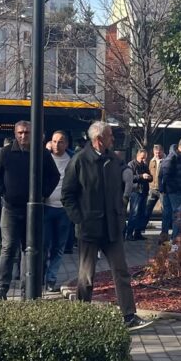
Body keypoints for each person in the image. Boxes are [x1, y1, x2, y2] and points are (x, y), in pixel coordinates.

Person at [60, 121, 150, 330]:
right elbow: (67, 195)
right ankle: (82, 317)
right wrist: (79, 219)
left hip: (112, 227)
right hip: (89, 229)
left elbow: (122, 185)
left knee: (121, 271)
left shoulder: (114, 159)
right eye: (110, 136)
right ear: (99, 139)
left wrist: (122, 206)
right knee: (86, 276)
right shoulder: (79, 161)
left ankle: (129, 316)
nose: (113, 139)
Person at [0, 120, 59, 300]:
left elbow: (54, 176)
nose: (23, 136)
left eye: (27, 132)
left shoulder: (41, 154)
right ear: (15, 133)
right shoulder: (5, 153)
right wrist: (2, 192)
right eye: (20, 132)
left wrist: (43, 194)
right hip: (10, 209)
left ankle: (26, 292)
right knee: (8, 248)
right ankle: (1, 290)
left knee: (29, 250)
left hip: (33, 211)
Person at [43, 130, 74, 293]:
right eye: (54, 141)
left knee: (59, 247)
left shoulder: (72, 159)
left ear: (66, 144)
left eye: (61, 141)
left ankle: (51, 279)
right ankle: (40, 276)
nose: (57, 144)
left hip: (64, 209)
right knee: (44, 245)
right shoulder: (44, 157)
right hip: (46, 207)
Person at [157, 138, 181, 239]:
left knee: (169, 214)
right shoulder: (173, 158)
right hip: (175, 191)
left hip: (176, 190)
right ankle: (174, 241)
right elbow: (165, 175)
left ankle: (165, 238)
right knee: (178, 215)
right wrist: (171, 189)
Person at [123, 147, 152, 241]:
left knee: (141, 213)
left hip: (143, 191)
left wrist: (149, 177)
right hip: (136, 191)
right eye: (142, 158)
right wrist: (141, 176)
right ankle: (129, 233)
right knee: (134, 213)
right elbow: (130, 177)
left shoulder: (145, 165)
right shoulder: (131, 164)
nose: (144, 160)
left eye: (145, 158)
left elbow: (150, 177)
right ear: (138, 156)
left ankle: (138, 233)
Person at [145, 143, 164, 225]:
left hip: (162, 189)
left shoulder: (166, 161)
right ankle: (143, 226)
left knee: (165, 209)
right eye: (156, 153)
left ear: (162, 151)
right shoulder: (151, 161)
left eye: (159, 153)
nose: (157, 154)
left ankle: (166, 228)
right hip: (152, 188)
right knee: (148, 208)